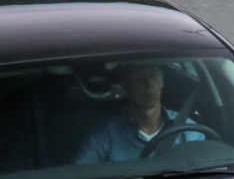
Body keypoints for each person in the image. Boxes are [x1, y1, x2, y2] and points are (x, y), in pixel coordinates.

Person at [76, 63, 205, 162]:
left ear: (162, 81)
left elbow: (206, 171)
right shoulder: (105, 135)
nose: (149, 84)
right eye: (139, 78)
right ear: (126, 87)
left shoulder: (187, 130)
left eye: (153, 76)